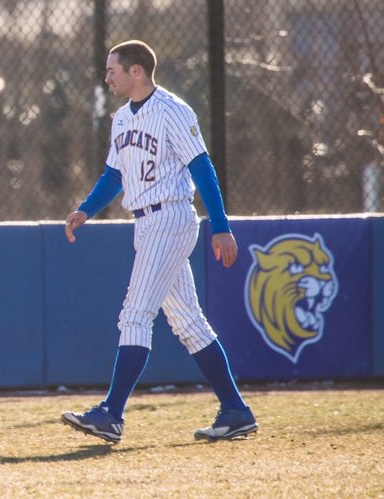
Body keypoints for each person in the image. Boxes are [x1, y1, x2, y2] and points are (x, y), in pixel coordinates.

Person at [61, 40, 256, 443]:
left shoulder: (172, 109)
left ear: (136, 71)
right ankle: (236, 411)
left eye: (113, 69)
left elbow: (202, 168)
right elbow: (114, 176)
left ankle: (111, 414)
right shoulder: (120, 119)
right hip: (146, 223)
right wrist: (85, 209)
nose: (107, 76)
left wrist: (220, 224)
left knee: (135, 315)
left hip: (170, 216)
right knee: (189, 323)